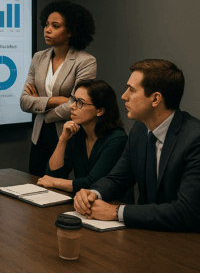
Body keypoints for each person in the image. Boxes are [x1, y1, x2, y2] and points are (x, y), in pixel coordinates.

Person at [74, 60, 200, 232]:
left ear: (155, 99)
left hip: (184, 240)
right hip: (145, 234)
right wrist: (92, 194)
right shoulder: (139, 130)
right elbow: (118, 178)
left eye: (131, 90)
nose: (124, 96)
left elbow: (186, 211)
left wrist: (116, 212)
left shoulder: (194, 138)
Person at [20, 0, 96, 177]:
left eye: (55, 26)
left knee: (58, 186)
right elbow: (24, 101)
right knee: (35, 183)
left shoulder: (86, 61)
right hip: (39, 136)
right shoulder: (38, 57)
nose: (47, 30)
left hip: (69, 134)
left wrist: (44, 112)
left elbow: (77, 104)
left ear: (71, 31)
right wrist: (58, 100)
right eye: (46, 24)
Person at [36, 80, 130, 199]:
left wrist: (55, 182)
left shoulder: (117, 139)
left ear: (100, 110)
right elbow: (53, 175)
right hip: (83, 202)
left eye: (80, 102)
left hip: (112, 204)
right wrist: (63, 140)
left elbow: (94, 183)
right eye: (74, 100)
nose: (72, 106)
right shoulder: (77, 132)